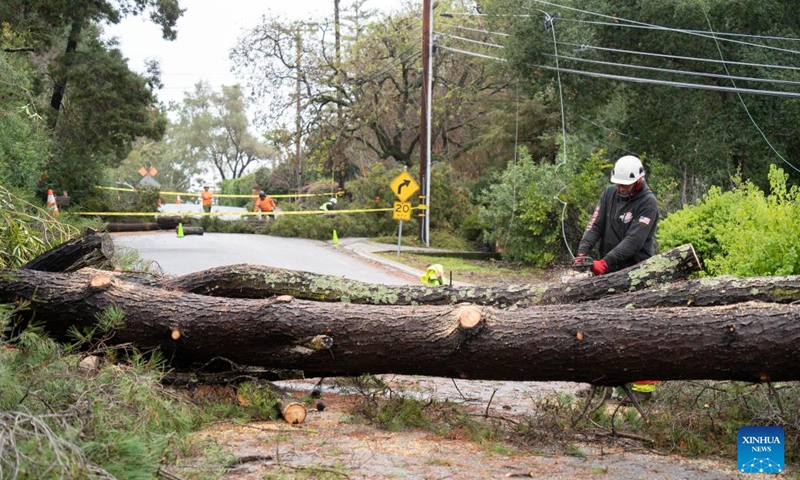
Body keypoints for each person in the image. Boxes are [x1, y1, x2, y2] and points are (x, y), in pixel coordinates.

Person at [573, 155, 660, 401]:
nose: (620, 188)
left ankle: (642, 391)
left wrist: (606, 262)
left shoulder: (648, 203)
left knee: (637, 332)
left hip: (636, 275)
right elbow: (595, 225)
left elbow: (633, 242)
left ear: (638, 180)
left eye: (625, 185)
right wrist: (583, 251)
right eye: (618, 184)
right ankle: (601, 386)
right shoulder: (609, 194)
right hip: (608, 274)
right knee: (600, 330)